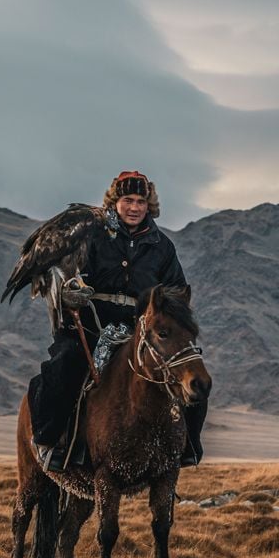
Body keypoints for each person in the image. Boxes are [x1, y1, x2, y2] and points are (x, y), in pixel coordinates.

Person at [27, 169, 207, 471]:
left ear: (149, 205)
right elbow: (65, 275)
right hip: (89, 323)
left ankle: (187, 445)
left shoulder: (162, 246)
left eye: (141, 201)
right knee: (65, 363)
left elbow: (174, 292)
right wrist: (71, 292)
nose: (135, 207)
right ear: (115, 201)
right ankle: (50, 442)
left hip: (142, 329)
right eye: (128, 200)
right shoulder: (92, 235)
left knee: (191, 369)